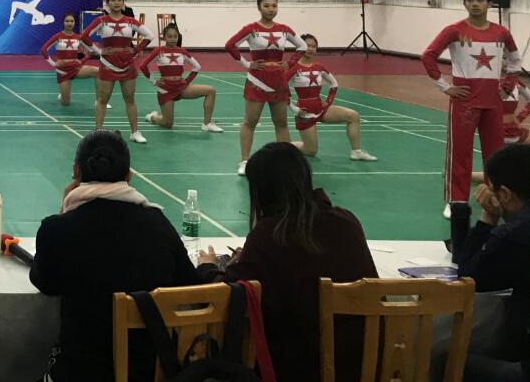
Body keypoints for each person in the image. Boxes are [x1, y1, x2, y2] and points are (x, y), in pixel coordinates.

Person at [197, 142, 377, 382]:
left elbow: (230, 296)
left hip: (300, 369)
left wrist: (207, 267)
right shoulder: (346, 221)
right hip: (366, 365)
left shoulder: (269, 235)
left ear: (262, 190)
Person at [31, 130, 201, 381]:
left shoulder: (56, 228)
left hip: (80, 373)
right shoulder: (158, 223)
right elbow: (191, 285)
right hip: (147, 374)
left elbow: (44, 282)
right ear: (129, 176)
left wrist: (64, 212)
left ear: (76, 171)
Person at [422, 0, 522, 218]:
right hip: (464, 104)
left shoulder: (501, 33)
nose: (475, 4)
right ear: (464, 3)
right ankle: (456, 201)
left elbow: (515, 60)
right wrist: (445, 87)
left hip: (493, 104)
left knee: (495, 155)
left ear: (488, 3)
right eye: (470, 0)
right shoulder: (454, 31)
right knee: (460, 153)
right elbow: (428, 56)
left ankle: (496, 197)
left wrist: (507, 87)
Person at [441, 144, 530, 376]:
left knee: (446, 362)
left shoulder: (514, 235)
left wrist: (488, 216)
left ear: (505, 195)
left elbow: (469, 277)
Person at [225, 0, 307, 176]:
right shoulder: (251, 29)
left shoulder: (284, 29)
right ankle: (245, 161)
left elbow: (302, 46)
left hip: (278, 81)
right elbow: (230, 45)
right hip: (257, 81)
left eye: (274, 6)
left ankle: (284, 162)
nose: (271, 9)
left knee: (281, 123)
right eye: (266, 6)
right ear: (259, 7)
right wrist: (247, 64)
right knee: (250, 122)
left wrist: (290, 63)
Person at [79, 0, 155, 141]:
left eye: (119, 0)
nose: (116, 2)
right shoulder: (101, 20)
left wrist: (135, 50)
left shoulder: (131, 21)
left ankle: (135, 133)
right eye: (113, 0)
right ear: (108, 3)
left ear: (123, 3)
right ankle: (98, 132)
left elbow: (150, 36)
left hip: (127, 64)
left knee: (130, 99)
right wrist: (99, 52)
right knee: (102, 100)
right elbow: (83, 36)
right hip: (107, 64)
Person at [288, 33, 375, 162]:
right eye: (307, 45)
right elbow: (281, 90)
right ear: (300, 46)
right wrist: (295, 109)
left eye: (313, 46)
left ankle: (356, 152)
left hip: (321, 109)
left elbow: (334, 84)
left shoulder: (319, 67)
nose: (310, 49)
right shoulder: (293, 68)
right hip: (305, 113)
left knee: (353, 116)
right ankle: (284, 145)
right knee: (310, 151)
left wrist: (328, 103)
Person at [138, 23, 223, 134]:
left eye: (175, 36)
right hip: (165, 89)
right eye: (170, 36)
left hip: (181, 87)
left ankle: (207, 124)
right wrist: (154, 81)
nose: (173, 39)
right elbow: (143, 66)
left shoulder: (182, 51)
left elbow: (197, 66)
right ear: (164, 37)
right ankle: (152, 117)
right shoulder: (158, 51)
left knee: (210, 91)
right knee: (167, 124)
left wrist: (187, 81)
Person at [41, 13, 98, 106]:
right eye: (67, 21)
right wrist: (54, 64)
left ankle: (100, 101)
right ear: (63, 22)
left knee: (98, 71)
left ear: (74, 22)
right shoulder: (58, 36)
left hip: (76, 69)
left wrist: (81, 61)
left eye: (72, 21)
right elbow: (44, 50)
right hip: (62, 71)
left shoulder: (79, 37)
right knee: (66, 103)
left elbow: (91, 52)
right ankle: (62, 96)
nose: (69, 23)